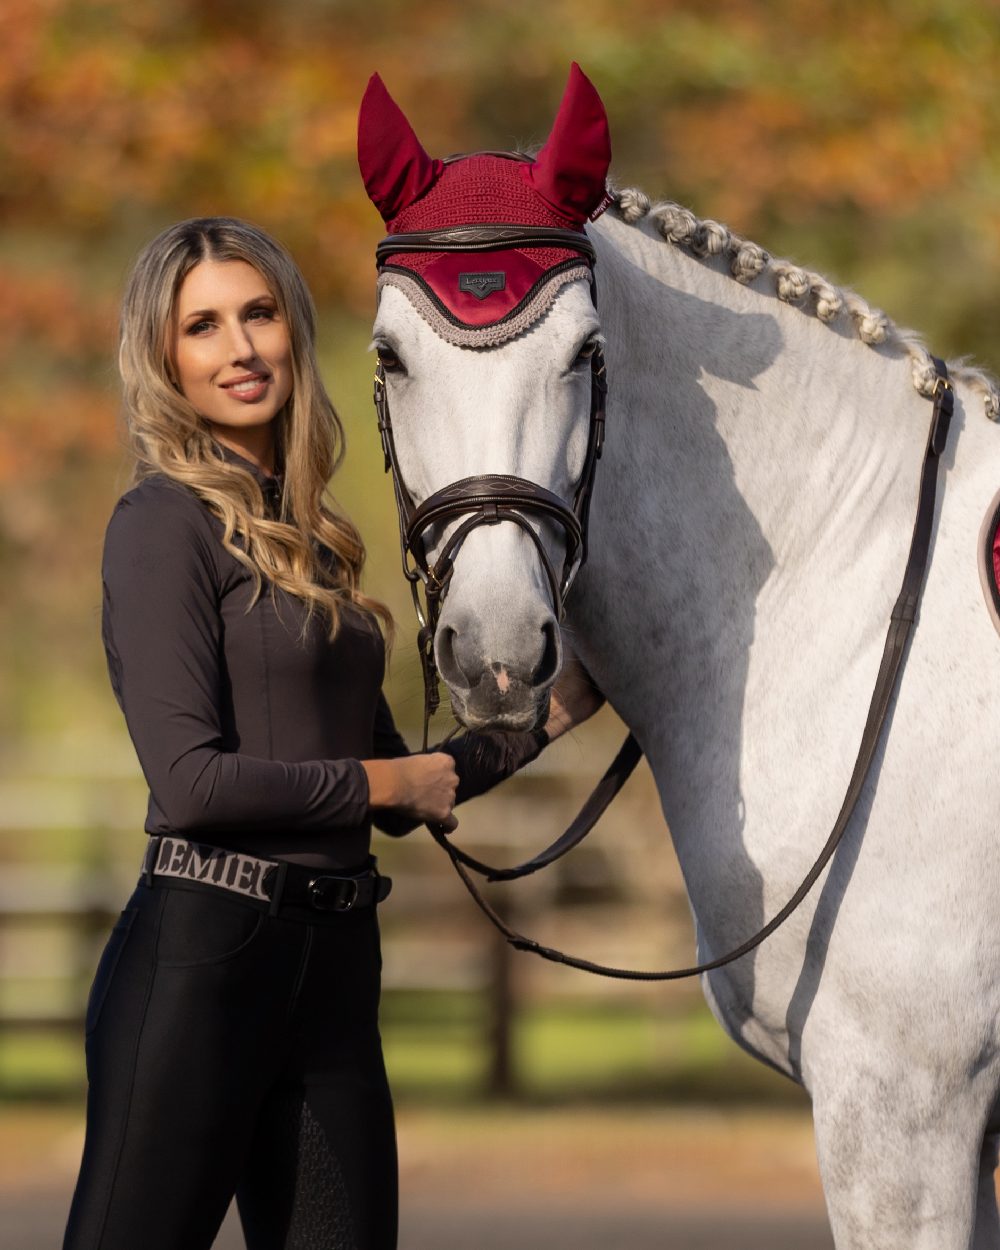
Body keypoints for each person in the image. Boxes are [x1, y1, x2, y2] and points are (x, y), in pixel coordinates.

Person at [62, 216, 601, 1250]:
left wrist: (551, 713)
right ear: (164, 358)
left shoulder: (314, 538)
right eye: (203, 326)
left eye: (258, 313)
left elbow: (413, 776)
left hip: (336, 967)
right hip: (203, 961)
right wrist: (385, 786)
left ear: (293, 329)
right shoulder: (161, 524)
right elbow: (191, 783)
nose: (240, 347)